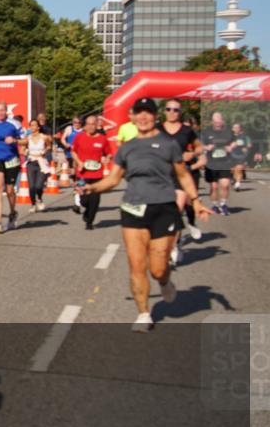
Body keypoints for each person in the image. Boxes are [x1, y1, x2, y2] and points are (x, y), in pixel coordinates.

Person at [79, 98, 211, 332]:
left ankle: (164, 281)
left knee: (158, 268)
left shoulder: (169, 144)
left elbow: (182, 175)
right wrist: (92, 187)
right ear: (132, 116)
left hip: (163, 208)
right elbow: (113, 179)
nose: (143, 117)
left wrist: (196, 201)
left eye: (147, 113)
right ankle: (143, 313)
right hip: (133, 209)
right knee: (136, 265)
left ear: (154, 116)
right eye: (138, 113)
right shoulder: (127, 147)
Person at [161, 99, 206, 264]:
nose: (172, 112)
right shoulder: (157, 129)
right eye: (169, 109)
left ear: (180, 112)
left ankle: (172, 247)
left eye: (176, 110)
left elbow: (200, 147)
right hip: (161, 176)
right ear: (164, 111)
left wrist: (192, 154)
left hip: (180, 176)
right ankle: (174, 242)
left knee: (175, 213)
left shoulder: (187, 131)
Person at [0, 101, 25, 233]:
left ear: (6, 111)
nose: (0, 113)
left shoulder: (14, 124)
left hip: (11, 159)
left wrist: (14, 141)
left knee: (10, 190)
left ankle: (13, 212)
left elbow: (26, 140)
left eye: (3, 110)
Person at [70, 115, 112, 230]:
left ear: (97, 125)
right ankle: (87, 211)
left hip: (97, 174)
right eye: (88, 124)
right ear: (85, 125)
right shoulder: (79, 137)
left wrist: (107, 158)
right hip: (82, 174)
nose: (90, 127)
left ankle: (89, 221)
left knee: (95, 200)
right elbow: (73, 152)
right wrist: (79, 162)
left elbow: (109, 153)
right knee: (84, 200)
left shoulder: (102, 139)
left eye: (93, 124)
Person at [202, 112, 236, 215]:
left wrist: (231, 147)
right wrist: (206, 147)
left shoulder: (228, 131)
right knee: (214, 187)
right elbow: (199, 144)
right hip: (212, 163)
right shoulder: (206, 132)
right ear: (212, 121)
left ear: (222, 120)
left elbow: (234, 141)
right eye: (215, 121)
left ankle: (223, 204)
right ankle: (215, 205)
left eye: (219, 120)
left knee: (225, 185)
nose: (217, 123)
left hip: (225, 162)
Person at [25, 119, 51, 212]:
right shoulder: (28, 137)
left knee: (39, 186)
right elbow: (24, 148)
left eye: (35, 125)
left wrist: (45, 151)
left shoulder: (44, 137)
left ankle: (39, 198)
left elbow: (48, 146)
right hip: (31, 162)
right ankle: (32, 204)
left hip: (41, 162)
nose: (33, 127)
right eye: (31, 125)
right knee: (31, 186)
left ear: (38, 127)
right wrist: (25, 151)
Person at [230, 123, 251, 191]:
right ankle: (233, 178)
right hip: (230, 156)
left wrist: (246, 148)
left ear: (240, 129)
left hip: (240, 156)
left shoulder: (244, 137)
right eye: (234, 127)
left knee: (239, 170)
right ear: (232, 129)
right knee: (232, 170)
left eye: (237, 127)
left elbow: (249, 145)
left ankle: (238, 184)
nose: (236, 129)